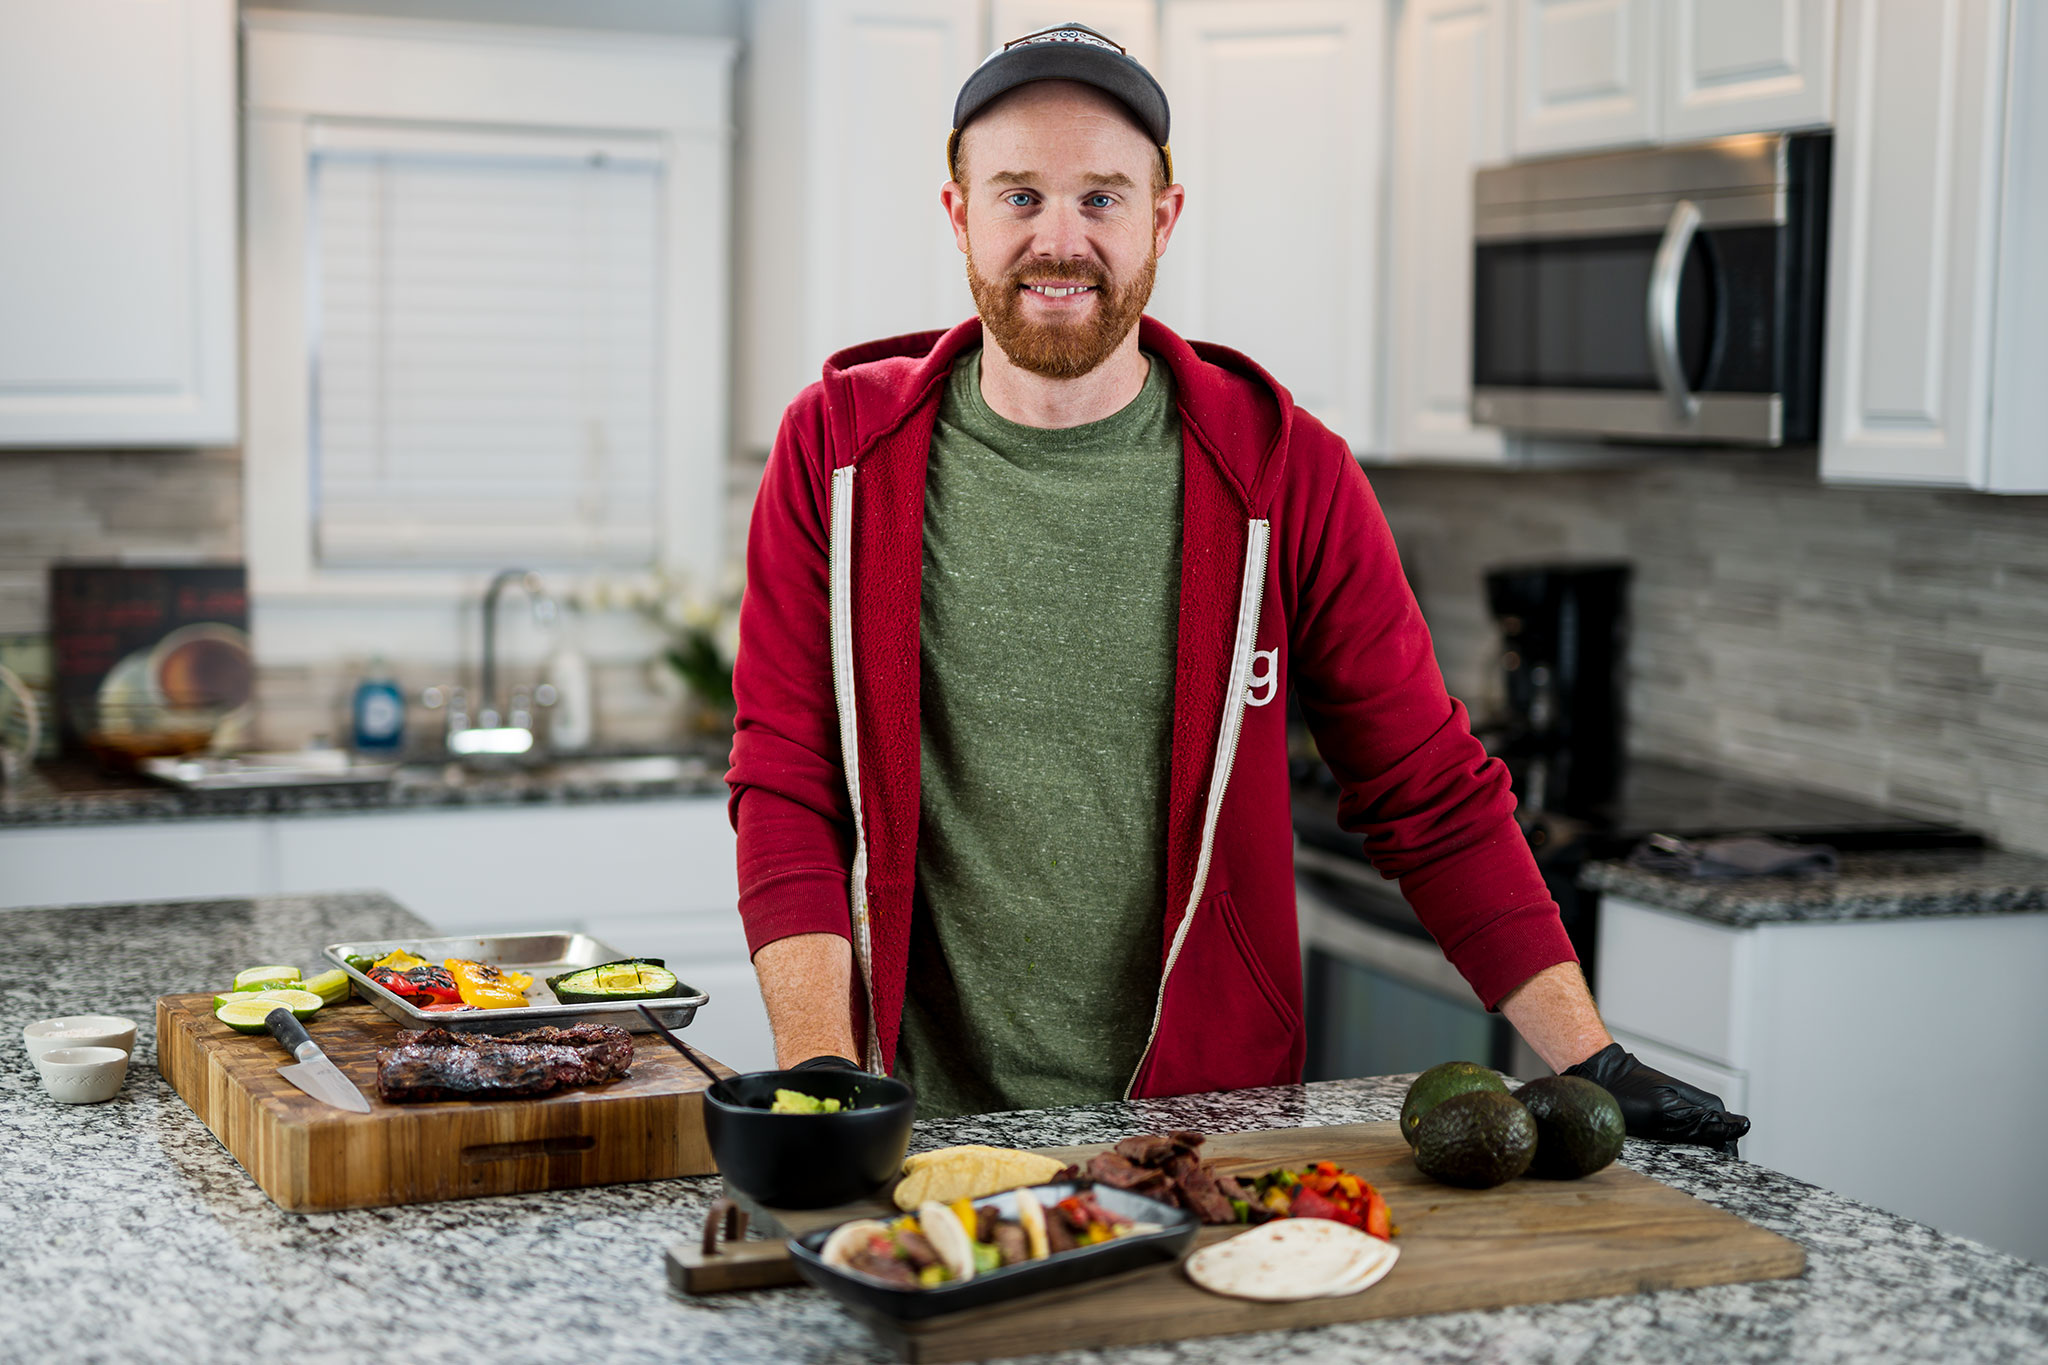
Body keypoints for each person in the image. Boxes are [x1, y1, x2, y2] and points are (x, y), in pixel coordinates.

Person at [726, 21, 1747, 1146]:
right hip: (921, 1122)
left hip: (1210, 1128)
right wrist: (824, 1082)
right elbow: (787, 782)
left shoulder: (1285, 471)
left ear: (1162, 217)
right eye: (1018, 196)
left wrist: (1587, 1053)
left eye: (1101, 198)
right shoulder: (837, 455)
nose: (1058, 240)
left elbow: (1427, 789)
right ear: (957, 212)